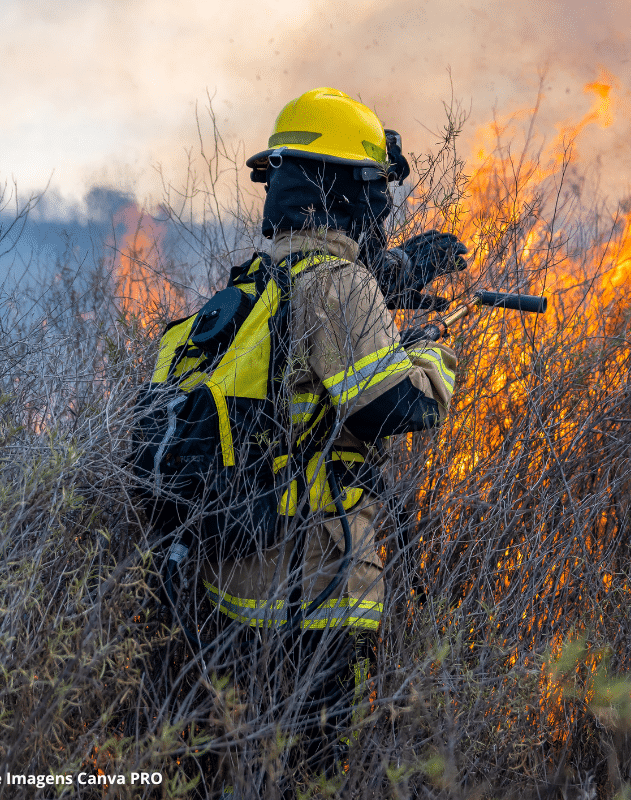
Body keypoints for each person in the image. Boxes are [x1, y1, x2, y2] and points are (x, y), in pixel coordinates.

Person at [197, 87, 465, 793]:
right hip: (317, 581)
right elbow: (393, 410)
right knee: (317, 771)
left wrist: (395, 276)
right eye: (375, 187)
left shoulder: (263, 279)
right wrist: (432, 354)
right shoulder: (339, 287)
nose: (383, 207)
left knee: (241, 764)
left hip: (236, 580)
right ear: (348, 191)